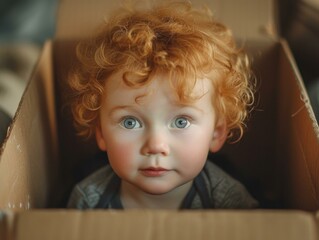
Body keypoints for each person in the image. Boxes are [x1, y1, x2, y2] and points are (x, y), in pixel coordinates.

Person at [67, 1, 258, 209]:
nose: (156, 146)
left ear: (216, 133)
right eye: (130, 122)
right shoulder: (88, 202)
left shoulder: (228, 202)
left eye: (181, 121)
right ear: (101, 133)